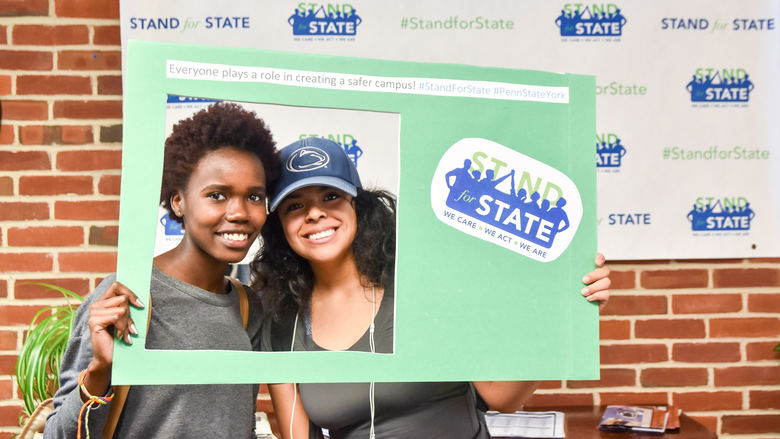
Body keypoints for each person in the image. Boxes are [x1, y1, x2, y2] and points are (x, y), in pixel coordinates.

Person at [253, 138, 610, 439]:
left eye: (330, 196)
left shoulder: (422, 285)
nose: (314, 213)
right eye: (294, 206)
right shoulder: (285, 323)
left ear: (358, 206)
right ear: (280, 227)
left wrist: (566, 313)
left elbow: (503, 396)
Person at [44, 102, 280, 438]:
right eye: (217, 195)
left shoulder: (247, 307)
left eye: (254, 197)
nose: (240, 212)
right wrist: (100, 371)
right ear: (178, 201)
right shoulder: (126, 294)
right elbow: (59, 435)